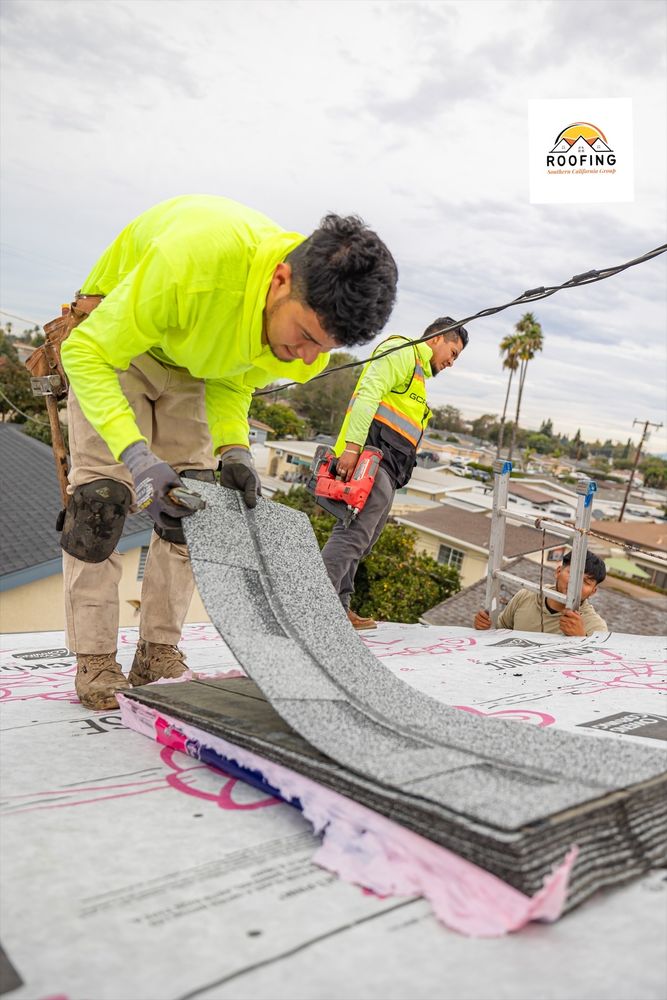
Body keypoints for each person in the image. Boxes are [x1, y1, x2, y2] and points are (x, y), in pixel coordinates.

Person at [59, 195, 398, 710]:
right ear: (279, 280)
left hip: (189, 360)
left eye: (323, 349)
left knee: (190, 506)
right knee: (100, 502)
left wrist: (234, 447)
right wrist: (135, 455)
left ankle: (157, 651)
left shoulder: (301, 341)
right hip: (117, 341)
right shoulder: (192, 265)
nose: (307, 358)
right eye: (305, 336)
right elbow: (84, 353)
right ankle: (96, 660)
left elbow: (234, 374)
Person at [321, 317, 468, 629]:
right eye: (453, 353)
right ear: (437, 338)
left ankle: (337, 606)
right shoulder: (403, 352)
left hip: (386, 469)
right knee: (353, 535)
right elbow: (368, 395)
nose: (452, 363)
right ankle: (315, 606)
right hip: (370, 460)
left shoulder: (417, 378)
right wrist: (351, 448)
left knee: (364, 540)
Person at [473, 551, 608, 636]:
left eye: (586, 582)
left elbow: (594, 672)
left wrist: (580, 639)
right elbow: (498, 630)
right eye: (572, 574)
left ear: (593, 592)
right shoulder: (526, 595)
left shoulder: (595, 627)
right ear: (558, 571)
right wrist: (484, 627)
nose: (576, 584)